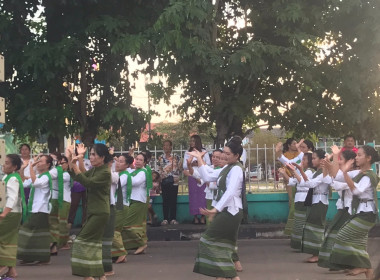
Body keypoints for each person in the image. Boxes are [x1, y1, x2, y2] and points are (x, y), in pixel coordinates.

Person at [190, 136, 245, 280]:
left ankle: (230, 275)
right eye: (224, 153)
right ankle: (226, 274)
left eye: (227, 154)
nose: (224, 157)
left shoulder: (237, 170)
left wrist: (216, 209)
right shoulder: (228, 167)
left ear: (236, 155)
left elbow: (231, 191)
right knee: (224, 244)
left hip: (231, 211)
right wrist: (200, 160)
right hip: (227, 210)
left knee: (208, 240)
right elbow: (207, 177)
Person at [328, 145, 379, 278]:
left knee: (343, 235)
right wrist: (335, 155)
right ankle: (368, 270)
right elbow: (336, 175)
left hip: (367, 214)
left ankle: (363, 265)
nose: (356, 158)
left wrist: (345, 173)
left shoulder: (370, 176)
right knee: (359, 244)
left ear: (368, 158)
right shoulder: (358, 173)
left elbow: (356, 191)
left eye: (360, 155)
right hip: (360, 212)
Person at [68, 143, 112, 280]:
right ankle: (100, 275)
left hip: (100, 212)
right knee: (94, 243)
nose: (91, 157)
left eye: (94, 155)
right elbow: (79, 175)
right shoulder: (95, 170)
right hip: (95, 211)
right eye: (90, 154)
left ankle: (88, 275)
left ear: (102, 157)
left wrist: (76, 164)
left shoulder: (105, 172)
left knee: (81, 241)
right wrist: (71, 158)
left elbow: (87, 182)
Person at [317, 147, 357, 269]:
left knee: (343, 236)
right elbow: (330, 178)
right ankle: (339, 262)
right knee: (335, 234)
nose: (339, 162)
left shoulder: (354, 174)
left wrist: (333, 159)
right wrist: (327, 166)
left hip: (351, 209)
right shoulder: (345, 174)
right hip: (344, 208)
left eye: (341, 159)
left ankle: (349, 263)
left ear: (350, 161)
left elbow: (337, 181)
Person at [293, 149, 329, 263]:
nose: (312, 160)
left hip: (320, 201)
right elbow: (305, 183)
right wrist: (298, 171)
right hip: (315, 200)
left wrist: (300, 170)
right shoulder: (316, 172)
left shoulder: (323, 172)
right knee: (312, 226)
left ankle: (318, 254)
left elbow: (311, 183)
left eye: (314, 158)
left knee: (316, 227)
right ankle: (316, 253)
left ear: (321, 160)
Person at [17, 155, 54, 265]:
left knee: (35, 233)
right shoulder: (38, 175)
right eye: (37, 161)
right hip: (34, 208)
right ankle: (30, 256)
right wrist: (23, 170)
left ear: (48, 165)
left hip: (41, 208)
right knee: (31, 233)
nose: (38, 163)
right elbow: (24, 183)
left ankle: (42, 257)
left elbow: (36, 182)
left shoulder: (47, 176)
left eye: (40, 161)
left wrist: (31, 168)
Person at [278, 152, 314, 250]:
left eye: (304, 160)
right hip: (299, 197)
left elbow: (300, 181)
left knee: (302, 222)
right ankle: (298, 244)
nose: (302, 161)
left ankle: (303, 244)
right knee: (298, 221)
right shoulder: (303, 171)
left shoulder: (310, 171)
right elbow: (292, 182)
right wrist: (285, 173)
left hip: (304, 197)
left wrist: (294, 171)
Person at [0, 154, 25, 278]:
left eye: (7, 163)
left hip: (11, 213)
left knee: (3, 239)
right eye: (4, 162)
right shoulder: (8, 176)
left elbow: (13, 198)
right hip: (11, 213)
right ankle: (11, 270)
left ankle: (3, 266)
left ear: (15, 166)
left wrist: (4, 213)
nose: (4, 165)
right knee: (9, 239)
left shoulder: (13, 179)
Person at [121, 153, 151, 255]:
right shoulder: (134, 171)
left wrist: (125, 176)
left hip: (139, 200)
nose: (138, 161)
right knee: (133, 224)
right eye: (136, 159)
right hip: (132, 200)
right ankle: (136, 244)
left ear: (144, 162)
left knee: (126, 223)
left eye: (140, 160)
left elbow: (135, 182)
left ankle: (141, 243)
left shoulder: (143, 172)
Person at [111, 154, 134, 264]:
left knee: (114, 230)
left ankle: (121, 252)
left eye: (121, 161)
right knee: (115, 230)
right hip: (118, 205)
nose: (117, 163)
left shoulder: (124, 175)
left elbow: (115, 181)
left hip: (121, 205)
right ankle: (117, 254)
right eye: (117, 161)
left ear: (127, 165)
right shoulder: (119, 173)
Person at [183, 135, 211, 224]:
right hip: (192, 175)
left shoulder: (203, 152)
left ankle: (203, 216)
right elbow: (184, 165)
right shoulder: (187, 152)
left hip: (202, 175)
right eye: (190, 141)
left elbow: (209, 164)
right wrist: (191, 163)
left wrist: (199, 162)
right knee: (193, 196)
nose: (191, 143)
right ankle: (195, 216)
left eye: (193, 141)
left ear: (197, 142)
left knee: (203, 196)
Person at [157, 140, 181, 225]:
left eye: (167, 145)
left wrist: (177, 177)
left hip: (174, 181)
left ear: (171, 147)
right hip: (164, 181)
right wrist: (159, 180)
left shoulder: (176, 157)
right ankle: (165, 218)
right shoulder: (160, 158)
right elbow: (158, 169)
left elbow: (179, 168)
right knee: (165, 200)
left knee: (173, 200)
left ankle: (173, 218)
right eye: (164, 145)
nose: (166, 147)